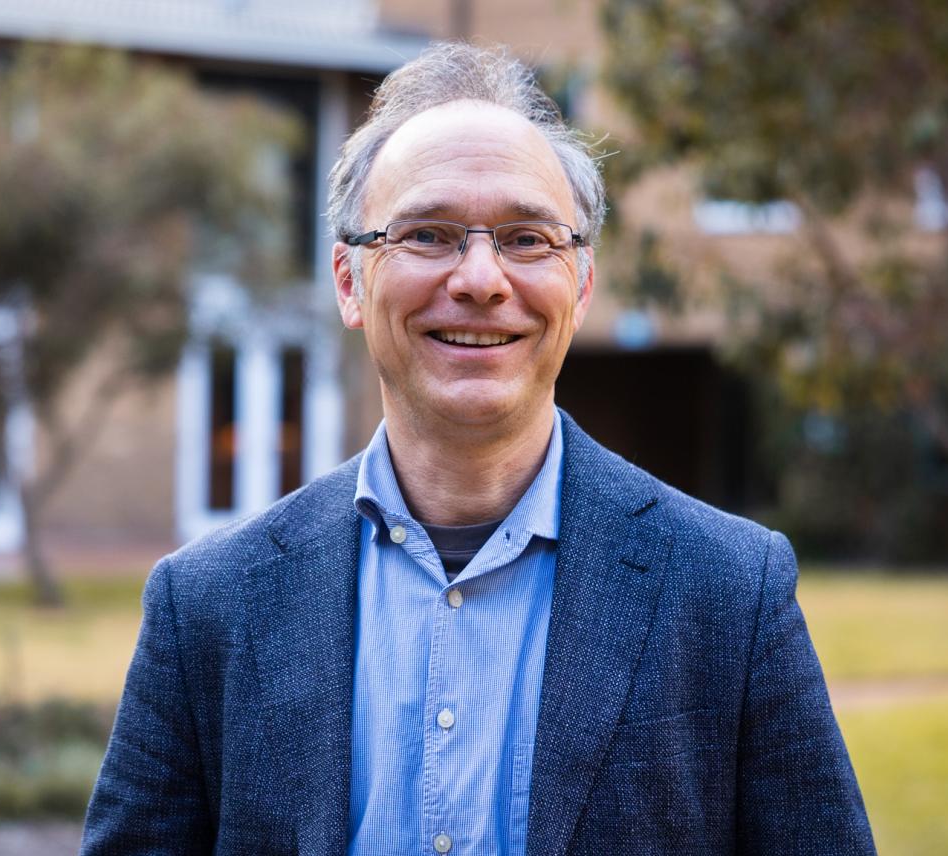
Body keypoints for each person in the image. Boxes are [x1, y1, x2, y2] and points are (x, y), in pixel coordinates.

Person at [82, 42, 873, 856]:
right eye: (428, 235)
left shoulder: (730, 592)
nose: (482, 279)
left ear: (583, 283)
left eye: (528, 239)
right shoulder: (206, 605)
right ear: (350, 283)